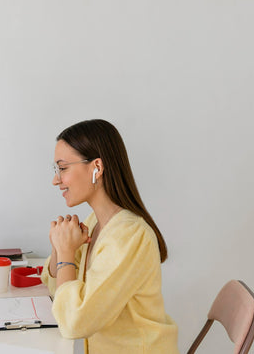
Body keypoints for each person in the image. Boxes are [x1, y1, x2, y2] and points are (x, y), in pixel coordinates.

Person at [41, 119, 179, 354]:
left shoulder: (128, 236)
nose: (56, 180)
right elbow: (55, 288)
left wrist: (66, 252)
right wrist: (59, 246)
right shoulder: (95, 222)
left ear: (97, 167)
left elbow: (74, 322)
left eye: (62, 168)